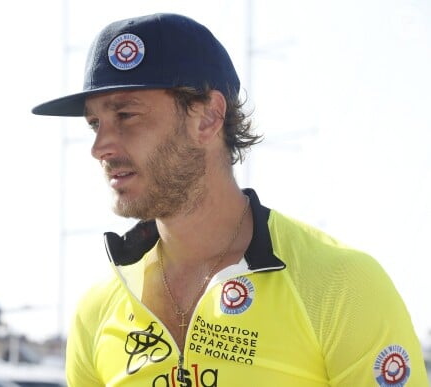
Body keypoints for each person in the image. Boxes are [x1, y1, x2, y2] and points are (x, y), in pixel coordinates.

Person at [32, 13, 427, 386]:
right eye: (95, 124)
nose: (100, 147)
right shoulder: (96, 311)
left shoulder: (341, 285)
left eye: (127, 116)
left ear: (207, 117)